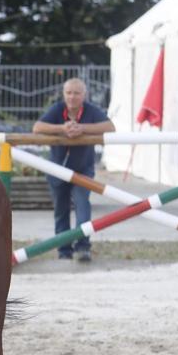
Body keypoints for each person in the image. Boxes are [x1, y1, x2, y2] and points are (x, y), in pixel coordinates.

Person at [32, 78, 115, 263]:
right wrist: (63, 128)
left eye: (77, 93)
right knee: (60, 210)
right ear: (64, 94)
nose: (72, 97)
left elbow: (110, 127)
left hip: (83, 169)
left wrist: (82, 128)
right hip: (57, 169)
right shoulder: (57, 109)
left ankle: (83, 247)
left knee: (82, 205)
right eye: (69, 93)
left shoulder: (91, 110)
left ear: (84, 95)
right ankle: (64, 250)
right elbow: (37, 127)